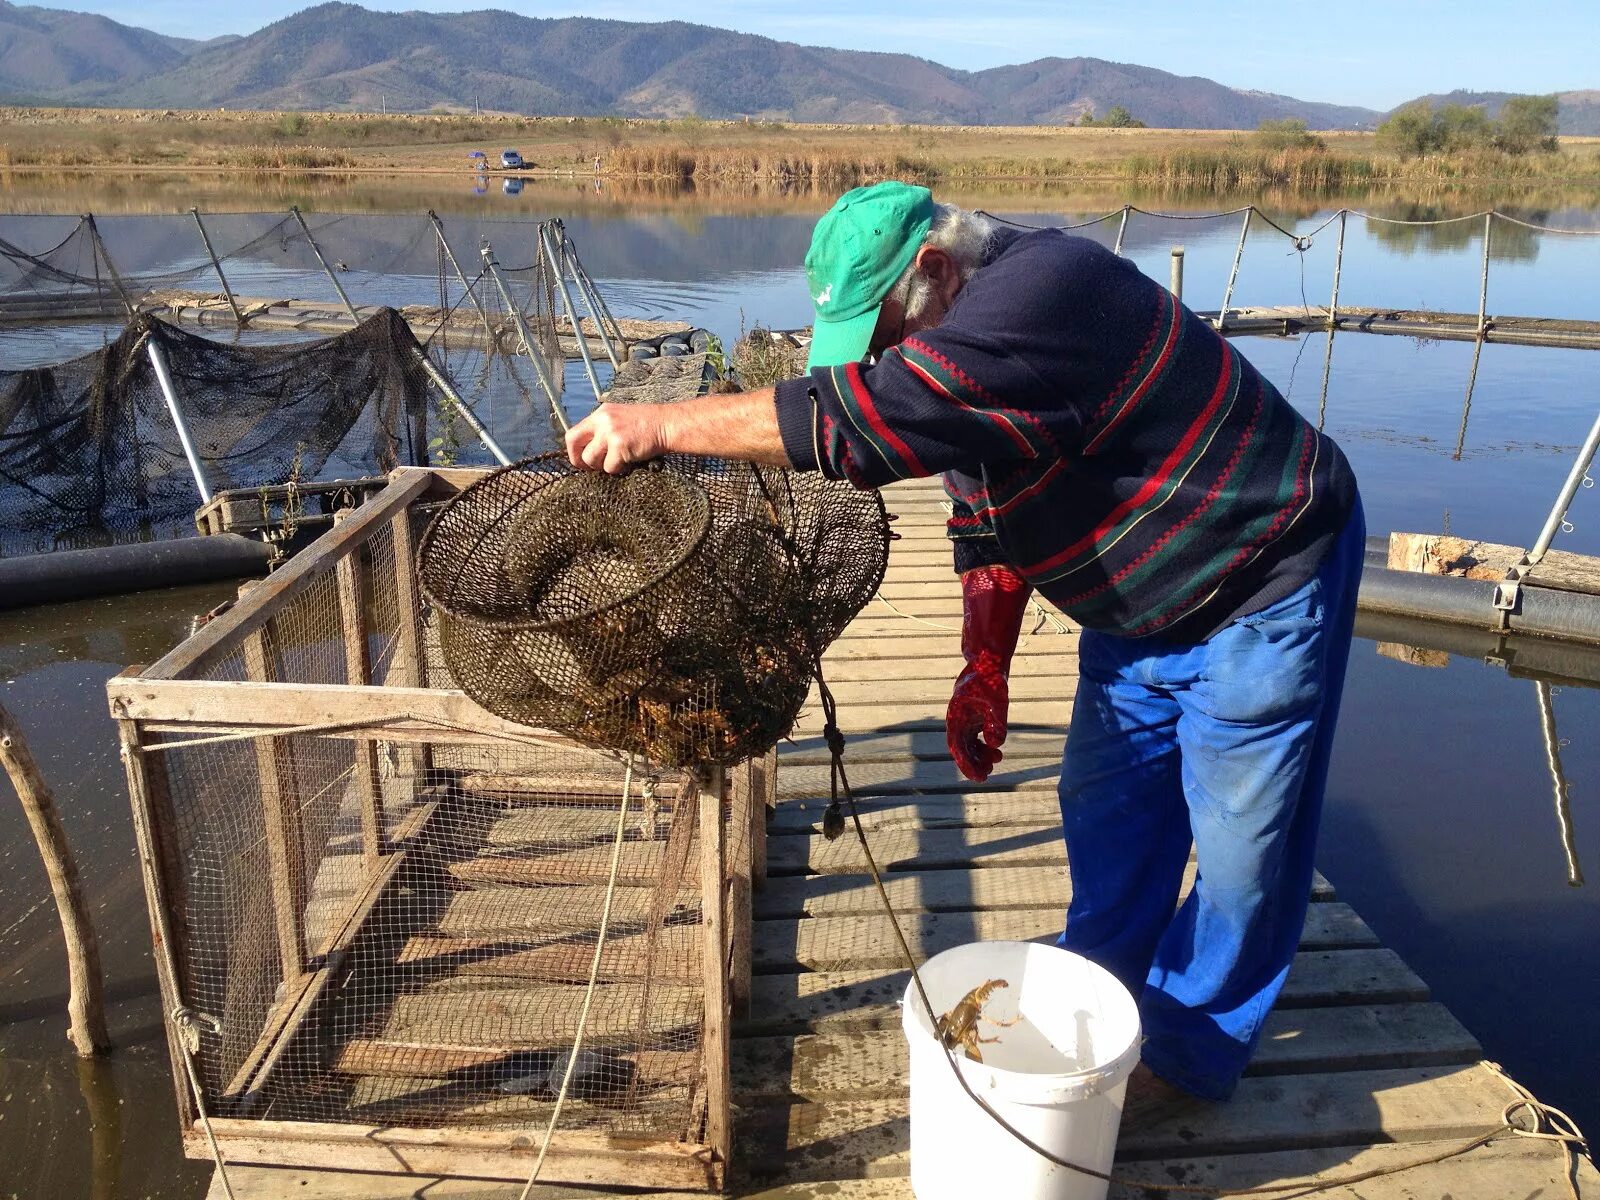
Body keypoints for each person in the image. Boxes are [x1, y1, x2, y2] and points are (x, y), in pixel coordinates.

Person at [564, 181, 1364, 1111]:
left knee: (1243, 853)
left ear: (935, 271)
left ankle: (1189, 1051)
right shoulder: (964, 346)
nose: (881, 356)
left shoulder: (1048, 291)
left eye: (883, 333)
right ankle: (1096, 1006)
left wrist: (664, 422)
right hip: (1130, 607)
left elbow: (865, 419)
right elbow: (984, 523)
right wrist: (985, 666)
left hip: (1258, 579)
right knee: (1108, 811)